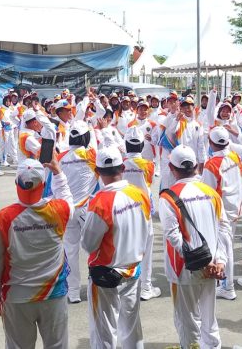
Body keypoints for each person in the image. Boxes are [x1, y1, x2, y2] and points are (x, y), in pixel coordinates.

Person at [0, 157, 73, 349]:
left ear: (16, 183)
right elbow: (68, 198)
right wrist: (58, 173)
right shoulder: (59, 210)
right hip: (54, 293)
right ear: (43, 185)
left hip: (16, 295)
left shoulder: (4, 217)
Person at [159, 145, 230, 349]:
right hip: (213, 265)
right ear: (196, 166)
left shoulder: (168, 197)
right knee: (209, 318)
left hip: (184, 268)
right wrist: (219, 260)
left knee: (187, 321)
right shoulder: (211, 192)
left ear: (171, 168)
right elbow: (224, 227)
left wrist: (201, 262)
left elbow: (173, 236)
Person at [81, 146, 150, 349]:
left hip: (106, 272)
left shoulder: (100, 202)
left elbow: (88, 244)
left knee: (104, 333)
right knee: (131, 328)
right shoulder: (140, 194)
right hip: (133, 268)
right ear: (123, 167)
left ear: (98, 172)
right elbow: (146, 229)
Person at [201, 126, 242, 300]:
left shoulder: (211, 165)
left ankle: (228, 287)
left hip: (221, 212)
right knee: (227, 247)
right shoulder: (235, 156)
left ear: (211, 142)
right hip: (234, 207)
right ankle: (224, 284)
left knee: (225, 249)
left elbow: (207, 193)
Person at [59, 120, 99, 304]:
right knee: (94, 248)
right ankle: (94, 287)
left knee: (70, 250)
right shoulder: (91, 155)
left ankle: (73, 291)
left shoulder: (61, 157)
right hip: (86, 209)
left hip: (67, 209)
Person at [122, 126, 160, 301]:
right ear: (142, 144)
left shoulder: (120, 163)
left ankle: (126, 285)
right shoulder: (149, 165)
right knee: (146, 251)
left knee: (126, 248)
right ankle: (146, 287)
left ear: (126, 144)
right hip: (143, 211)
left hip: (124, 211)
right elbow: (149, 182)